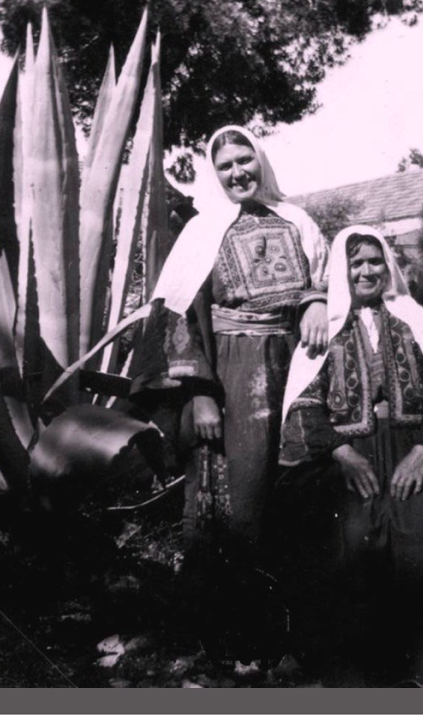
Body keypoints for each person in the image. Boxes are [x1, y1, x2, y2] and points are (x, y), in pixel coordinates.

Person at [129, 125, 329, 665]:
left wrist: (316, 301)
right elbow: (178, 317)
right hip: (232, 373)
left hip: (298, 367)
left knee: (300, 490)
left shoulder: (299, 220)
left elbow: (335, 282)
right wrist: (199, 394)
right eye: (226, 166)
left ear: (260, 161)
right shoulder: (201, 232)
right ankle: (230, 632)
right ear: (213, 175)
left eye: (246, 160)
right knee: (238, 500)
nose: (238, 171)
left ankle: (299, 634)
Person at [274, 224, 423, 687]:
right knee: (349, 532)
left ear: (388, 266)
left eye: (375, 261)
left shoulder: (419, 323)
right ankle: (360, 667)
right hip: (344, 455)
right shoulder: (325, 331)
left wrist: (421, 453)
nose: (366, 270)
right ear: (342, 270)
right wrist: (341, 454)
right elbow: (303, 403)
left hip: (411, 446)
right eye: (356, 263)